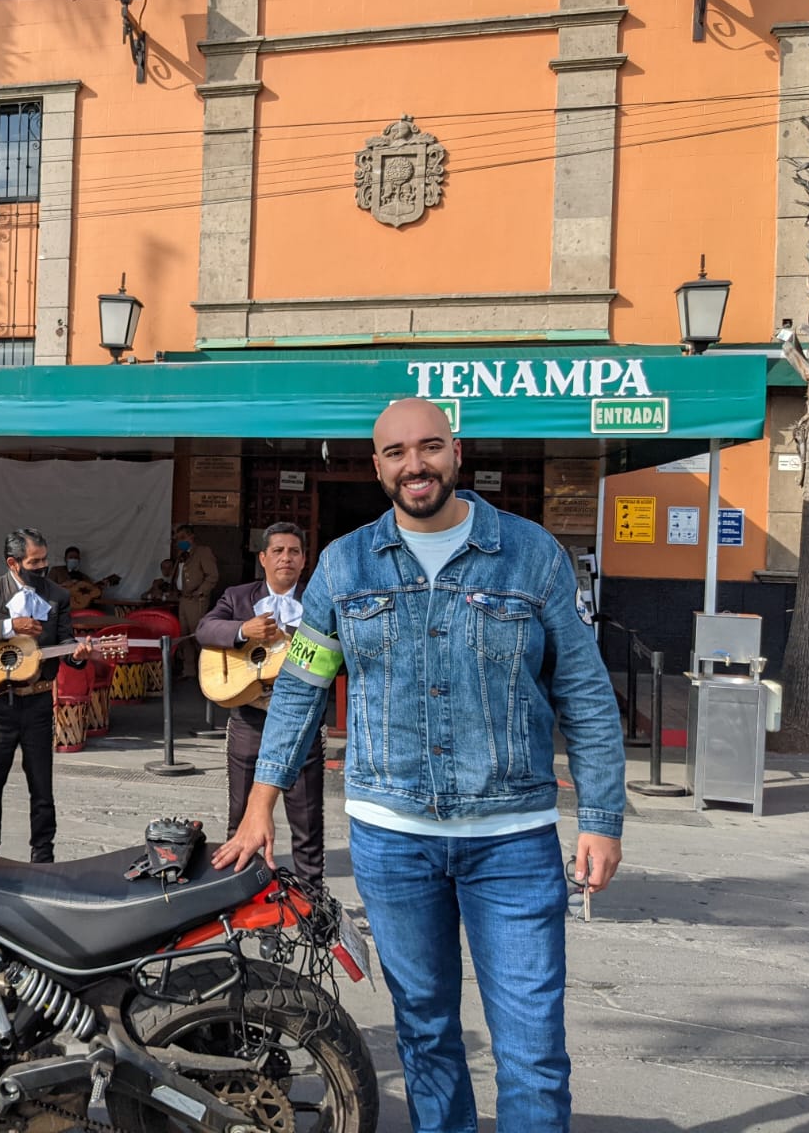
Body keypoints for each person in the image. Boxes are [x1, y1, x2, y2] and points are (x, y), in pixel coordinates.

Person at [214, 398, 625, 1133]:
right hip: (390, 840)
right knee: (427, 1038)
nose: (415, 464)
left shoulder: (532, 555)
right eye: (396, 452)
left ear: (456, 454)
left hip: (514, 840)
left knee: (532, 1052)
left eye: (429, 447)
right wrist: (259, 805)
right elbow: (302, 689)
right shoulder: (343, 566)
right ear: (376, 467)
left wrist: (600, 818)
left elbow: (585, 692)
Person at [196, 521, 324, 884]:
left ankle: (312, 901)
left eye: (295, 552)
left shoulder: (317, 600)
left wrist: (295, 645)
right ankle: (242, 893)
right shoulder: (238, 597)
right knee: (241, 813)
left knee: (307, 818)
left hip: (303, 724)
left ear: (303, 561)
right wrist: (242, 631)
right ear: (264, 558)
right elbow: (205, 629)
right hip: (250, 719)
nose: (287, 558)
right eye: (279, 551)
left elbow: (338, 655)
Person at [0, 528, 87, 862]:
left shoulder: (57, 595)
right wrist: (10, 627)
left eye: (45, 559)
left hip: (39, 701)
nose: (42, 567)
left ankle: (43, 854)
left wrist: (77, 654)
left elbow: (66, 643)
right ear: (13, 563)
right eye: (34, 561)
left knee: (42, 784)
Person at [172, 524, 218, 678]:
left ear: (191, 537)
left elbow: (212, 576)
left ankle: (209, 669)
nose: (180, 541)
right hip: (183, 599)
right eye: (177, 539)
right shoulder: (181, 555)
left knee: (196, 635)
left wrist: (201, 592)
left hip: (196, 600)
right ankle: (189, 670)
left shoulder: (202, 552)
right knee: (184, 636)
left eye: (183, 538)